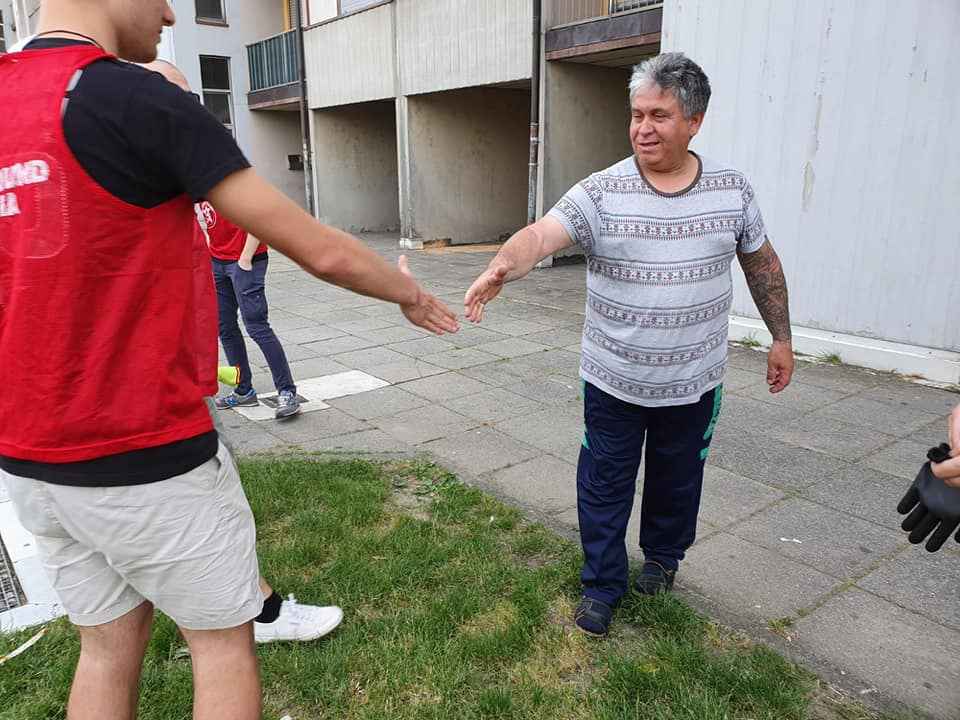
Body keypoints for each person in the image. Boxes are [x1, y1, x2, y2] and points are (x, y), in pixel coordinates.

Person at [0, 4, 458, 720]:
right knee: (221, 645)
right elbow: (319, 248)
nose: (168, 11)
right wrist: (410, 293)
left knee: (104, 650)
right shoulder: (138, 97)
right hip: (144, 451)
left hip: (29, 460)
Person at [465, 52, 794, 637]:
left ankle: (662, 562)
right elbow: (541, 233)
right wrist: (503, 266)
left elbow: (762, 264)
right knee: (604, 483)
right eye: (637, 114)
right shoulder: (602, 191)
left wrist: (782, 338)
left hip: (694, 384)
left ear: (694, 121)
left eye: (659, 116)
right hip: (613, 382)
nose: (643, 128)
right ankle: (601, 586)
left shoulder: (732, 190)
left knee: (678, 481)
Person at [139, 58, 342, 644]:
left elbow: (265, 216)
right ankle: (246, 388)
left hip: (245, 258)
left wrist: (248, 253)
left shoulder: (213, 155)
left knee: (256, 324)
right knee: (227, 329)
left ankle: (287, 391)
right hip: (214, 264)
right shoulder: (167, 167)